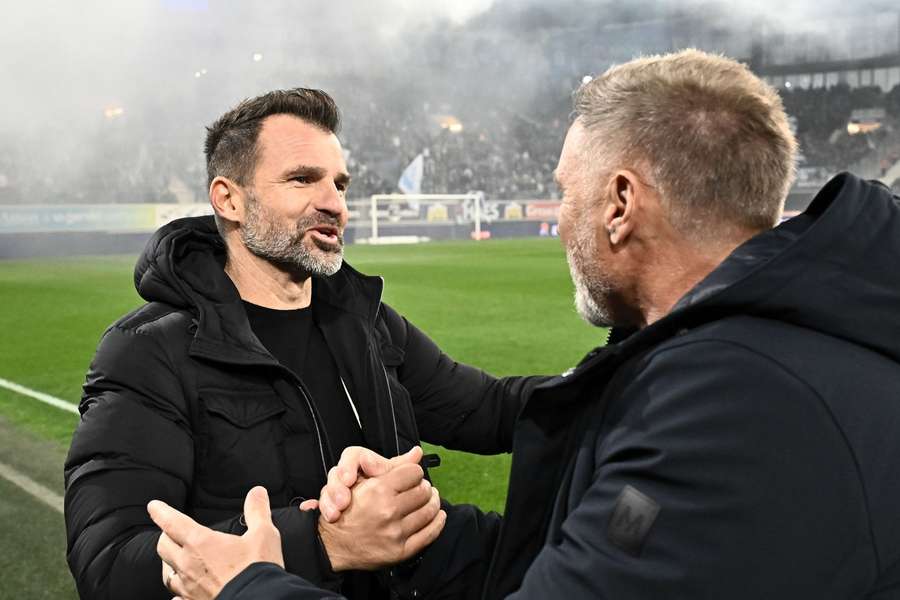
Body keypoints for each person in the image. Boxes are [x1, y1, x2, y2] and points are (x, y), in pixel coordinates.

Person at [148, 49, 900, 599]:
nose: (556, 222)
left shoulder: (729, 403)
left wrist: (249, 587)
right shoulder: (758, 353)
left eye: (564, 193)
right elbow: (572, 550)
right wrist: (416, 532)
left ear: (619, 204)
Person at [63, 88, 544, 600]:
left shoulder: (366, 323)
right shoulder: (147, 352)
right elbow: (109, 562)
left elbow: (490, 408)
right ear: (230, 199)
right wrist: (323, 543)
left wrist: (626, 379)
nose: (334, 203)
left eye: (339, 183)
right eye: (302, 179)